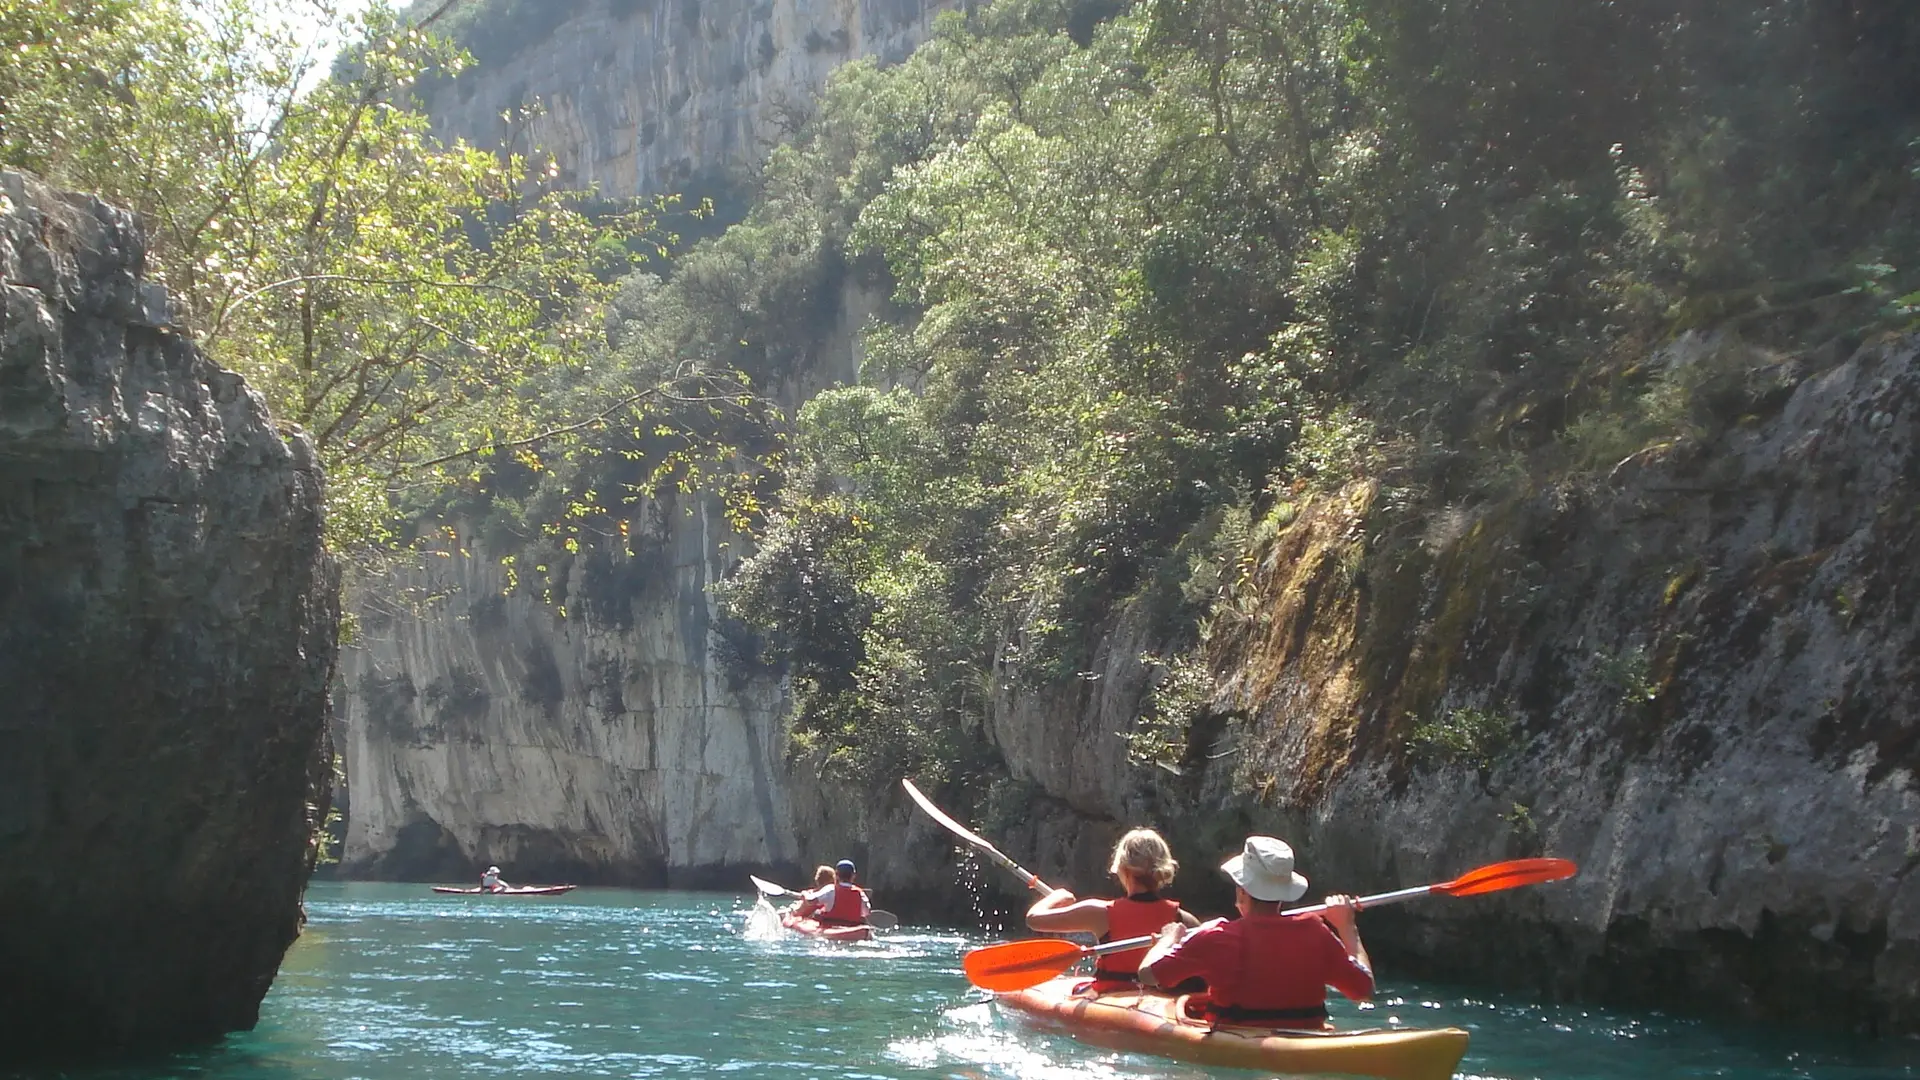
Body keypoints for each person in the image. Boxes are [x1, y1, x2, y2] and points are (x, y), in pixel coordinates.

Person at [1137, 836, 1372, 1028]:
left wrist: (1167, 939)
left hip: (1238, 1043)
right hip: (1306, 1038)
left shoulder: (1217, 936)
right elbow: (1363, 990)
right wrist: (1347, 927)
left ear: (1242, 892)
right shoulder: (1316, 932)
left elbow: (1148, 975)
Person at [1025, 828, 1202, 993]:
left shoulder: (1099, 913)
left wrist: (1057, 897)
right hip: (1160, 1000)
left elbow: (1033, 919)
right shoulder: (1185, 920)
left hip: (1111, 995)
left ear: (1122, 868)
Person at [798, 859, 869, 926]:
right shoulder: (860, 893)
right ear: (853, 875)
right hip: (852, 926)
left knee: (817, 913)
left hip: (830, 925)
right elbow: (866, 912)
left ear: (836, 875)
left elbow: (810, 901)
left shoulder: (831, 889)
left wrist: (804, 893)